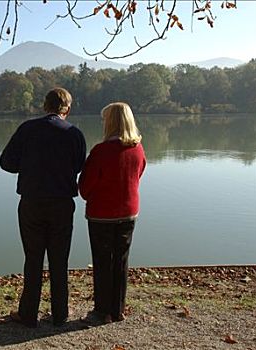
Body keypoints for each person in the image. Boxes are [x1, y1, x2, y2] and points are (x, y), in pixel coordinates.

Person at [0, 87, 87, 328]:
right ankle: (60, 315)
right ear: (67, 109)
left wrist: (28, 167)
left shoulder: (27, 129)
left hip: (32, 203)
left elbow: (5, 162)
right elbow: (80, 166)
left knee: (33, 258)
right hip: (61, 204)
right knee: (60, 260)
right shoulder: (75, 133)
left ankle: (28, 315)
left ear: (45, 106)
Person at [78, 102, 146, 326]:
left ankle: (102, 311)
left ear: (110, 122)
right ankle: (118, 310)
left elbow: (85, 187)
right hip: (128, 212)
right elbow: (138, 174)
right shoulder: (137, 149)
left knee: (102, 261)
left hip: (101, 214)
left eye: (103, 119)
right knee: (121, 261)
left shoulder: (100, 151)